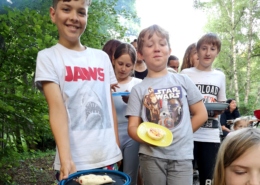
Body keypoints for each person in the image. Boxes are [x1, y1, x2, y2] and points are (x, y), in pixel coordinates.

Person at [35, 0, 122, 181]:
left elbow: (109, 106)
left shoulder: (102, 58)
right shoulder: (48, 57)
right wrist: (66, 158)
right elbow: (57, 109)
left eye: (81, 12)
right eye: (66, 9)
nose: (74, 18)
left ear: (87, 17)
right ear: (53, 14)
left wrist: (116, 145)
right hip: (73, 161)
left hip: (107, 155)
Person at [126, 24, 208, 185]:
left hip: (182, 155)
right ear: (141, 54)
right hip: (151, 156)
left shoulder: (183, 80)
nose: (157, 48)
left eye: (162, 44)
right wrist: (149, 139)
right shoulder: (138, 89)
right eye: (150, 45)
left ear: (169, 50)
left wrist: (182, 134)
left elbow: (201, 114)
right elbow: (132, 127)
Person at [180, 33, 226, 185]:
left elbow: (222, 101)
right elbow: (177, 102)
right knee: (183, 179)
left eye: (212, 49)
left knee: (208, 179)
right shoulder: (185, 74)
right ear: (197, 52)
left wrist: (221, 108)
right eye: (204, 48)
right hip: (188, 134)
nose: (208, 53)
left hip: (211, 135)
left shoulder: (220, 76)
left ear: (217, 52)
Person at [112, 43, 142, 185]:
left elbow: (147, 112)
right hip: (110, 133)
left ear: (134, 65)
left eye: (128, 65)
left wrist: (133, 101)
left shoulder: (138, 84)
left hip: (132, 134)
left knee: (131, 175)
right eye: (120, 63)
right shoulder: (105, 82)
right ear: (113, 60)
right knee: (111, 174)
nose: (123, 69)